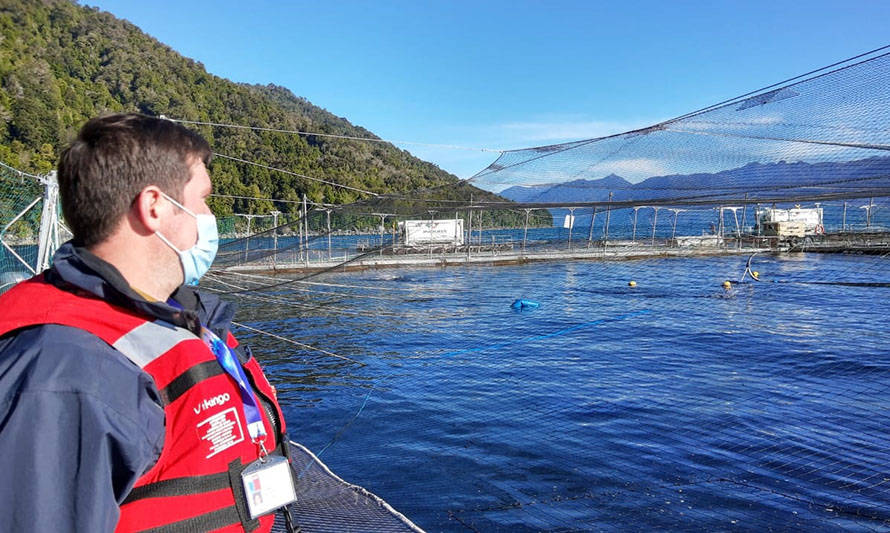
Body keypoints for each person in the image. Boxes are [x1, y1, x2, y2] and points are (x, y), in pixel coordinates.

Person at [0, 114, 297, 532]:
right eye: (202, 199)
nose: (208, 217)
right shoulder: (66, 371)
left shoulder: (177, 318)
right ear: (154, 206)